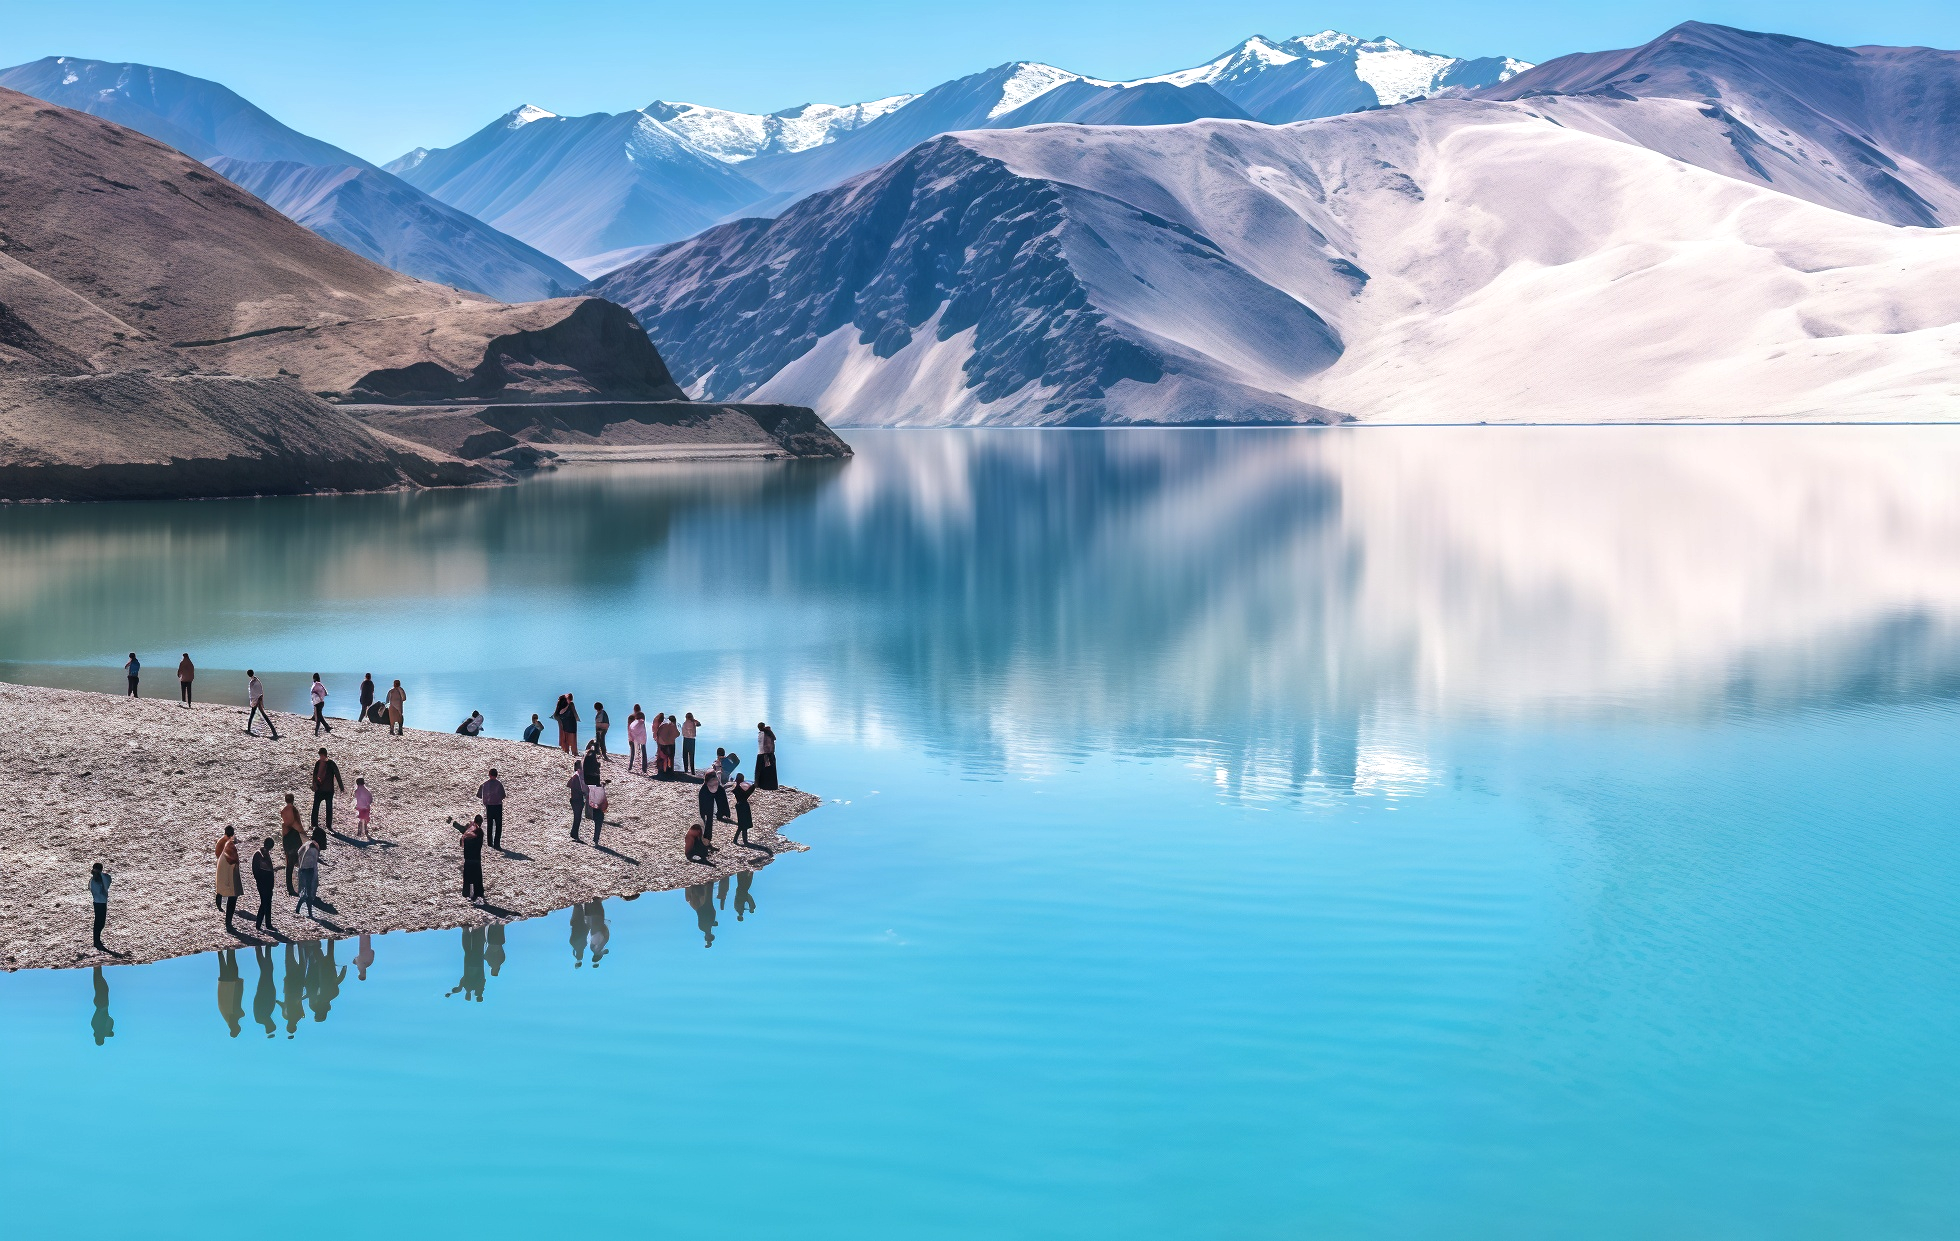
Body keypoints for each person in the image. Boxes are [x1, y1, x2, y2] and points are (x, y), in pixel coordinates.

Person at [311, 748, 344, 834]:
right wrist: (314, 785)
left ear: (325, 755)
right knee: (315, 807)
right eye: (320, 755)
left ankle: (328, 826)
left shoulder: (331, 763)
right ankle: (314, 824)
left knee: (328, 808)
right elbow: (314, 775)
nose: (321, 757)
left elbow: (337, 774)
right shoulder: (318, 763)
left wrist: (341, 787)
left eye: (322, 755)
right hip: (319, 789)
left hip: (329, 790)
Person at [214, 826, 240, 930]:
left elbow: (217, 853)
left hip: (222, 867)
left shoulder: (222, 840)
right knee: (229, 893)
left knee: (220, 888)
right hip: (227, 869)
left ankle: (219, 906)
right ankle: (227, 920)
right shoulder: (228, 843)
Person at [455, 815, 485, 904]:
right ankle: (478, 893)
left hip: (468, 858)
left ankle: (466, 893)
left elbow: (463, 834)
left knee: (467, 877)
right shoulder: (479, 832)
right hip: (476, 858)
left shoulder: (469, 831)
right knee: (477, 877)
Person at [217, 949, 244, 1037]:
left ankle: (225, 947)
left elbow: (237, 998)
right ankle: (221, 948)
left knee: (230, 960)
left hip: (231, 984)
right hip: (226, 984)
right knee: (224, 961)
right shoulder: (226, 1014)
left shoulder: (232, 1016)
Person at [295, 830, 322, 918]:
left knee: (304, 890)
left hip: (302, 869)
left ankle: (298, 909)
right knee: (308, 891)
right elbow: (314, 860)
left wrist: (300, 862)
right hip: (309, 870)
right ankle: (309, 913)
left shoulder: (306, 844)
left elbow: (299, 852)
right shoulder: (315, 847)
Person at [280, 794, 304, 894]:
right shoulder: (294, 810)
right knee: (300, 861)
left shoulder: (283, 810)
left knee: (289, 864)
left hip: (286, 837)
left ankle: (290, 888)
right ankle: (301, 886)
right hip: (294, 837)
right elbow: (298, 824)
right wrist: (304, 835)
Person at [251, 838, 277, 931]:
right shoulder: (259, 854)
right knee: (265, 902)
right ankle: (261, 924)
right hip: (263, 883)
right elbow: (256, 870)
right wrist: (260, 880)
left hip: (267, 883)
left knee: (267, 902)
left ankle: (266, 924)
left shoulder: (264, 853)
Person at [246, 669, 279, 738]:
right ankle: (273, 730)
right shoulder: (257, 680)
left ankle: (249, 730)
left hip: (256, 701)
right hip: (258, 700)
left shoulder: (253, 682)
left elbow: (252, 693)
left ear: (248, 675)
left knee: (254, 715)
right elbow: (259, 690)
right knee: (257, 715)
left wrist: (254, 701)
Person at [477, 768, 505, 850]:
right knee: (498, 825)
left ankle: (490, 842)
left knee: (490, 824)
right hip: (498, 806)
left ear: (489, 775)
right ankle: (497, 843)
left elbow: (479, 795)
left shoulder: (485, 784)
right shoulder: (499, 784)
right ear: (496, 775)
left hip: (489, 806)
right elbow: (503, 795)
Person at [89, 862, 111, 949]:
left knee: (100, 923)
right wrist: (99, 874)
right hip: (99, 903)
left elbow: (107, 884)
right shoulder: (93, 880)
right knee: (99, 922)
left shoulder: (102, 878)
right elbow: (105, 887)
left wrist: (100, 874)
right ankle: (96, 941)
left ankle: (97, 940)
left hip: (101, 902)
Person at [731, 773, 756, 846]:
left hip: (740, 806)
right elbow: (747, 794)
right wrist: (753, 786)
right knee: (743, 825)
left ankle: (737, 840)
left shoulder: (737, 788)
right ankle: (744, 841)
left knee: (742, 824)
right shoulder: (738, 789)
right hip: (743, 806)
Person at [716, 747, 738, 820]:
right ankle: (724, 812)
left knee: (719, 797)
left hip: (720, 780)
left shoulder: (718, 762)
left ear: (717, 754)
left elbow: (716, 769)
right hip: (726, 779)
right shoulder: (727, 761)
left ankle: (720, 812)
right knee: (723, 796)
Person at [697, 768, 719, 839]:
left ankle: (707, 842)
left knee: (708, 826)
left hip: (709, 811)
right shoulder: (704, 789)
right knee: (706, 826)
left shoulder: (708, 787)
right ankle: (704, 842)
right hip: (706, 811)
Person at [755, 722, 779, 790]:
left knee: (763, 771)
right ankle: (771, 785)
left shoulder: (763, 734)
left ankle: (763, 785)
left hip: (765, 754)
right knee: (769, 771)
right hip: (768, 754)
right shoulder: (768, 733)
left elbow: (763, 745)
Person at [655, 712, 680, 778]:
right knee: (670, 757)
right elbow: (677, 734)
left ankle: (661, 770)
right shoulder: (672, 725)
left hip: (661, 743)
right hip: (669, 744)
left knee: (662, 758)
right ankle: (670, 771)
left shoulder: (663, 725)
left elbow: (658, 733)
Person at [586, 778, 609, 846]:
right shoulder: (601, 792)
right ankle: (596, 839)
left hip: (594, 810)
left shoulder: (593, 791)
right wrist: (604, 809)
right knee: (598, 826)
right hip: (599, 810)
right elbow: (604, 802)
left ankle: (595, 839)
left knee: (596, 824)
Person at [567, 765, 587, 840]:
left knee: (577, 817)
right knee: (577, 818)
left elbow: (569, 785)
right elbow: (571, 786)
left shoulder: (577, 775)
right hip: (576, 799)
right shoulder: (577, 776)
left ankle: (574, 833)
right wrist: (582, 792)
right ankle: (574, 834)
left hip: (577, 799)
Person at [626, 706, 648, 773]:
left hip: (633, 737)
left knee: (632, 752)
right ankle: (644, 768)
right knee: (643, 752)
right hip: (642, 736)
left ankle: (630, 767)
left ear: (634, 709)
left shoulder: (630, 717)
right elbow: (643, 727)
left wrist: (629, 739)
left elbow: (629, 729)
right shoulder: (642, 716)